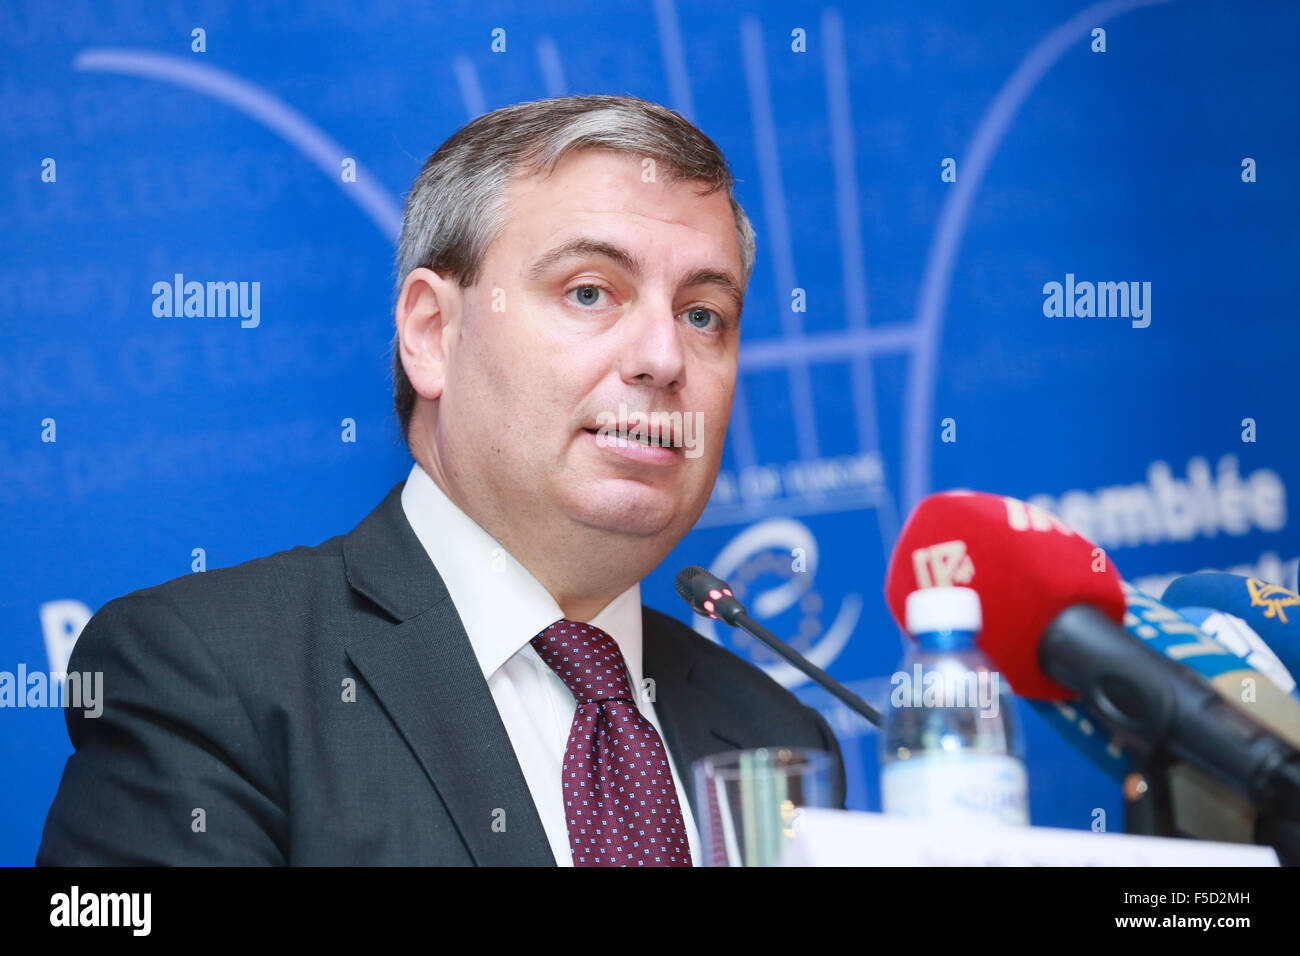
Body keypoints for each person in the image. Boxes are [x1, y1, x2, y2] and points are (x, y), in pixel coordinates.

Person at [37, 94, 846, 866]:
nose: (664, 358)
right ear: (431, 333)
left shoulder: (778, 735)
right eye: (591, 292)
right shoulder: (208, 676)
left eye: (704, 314)